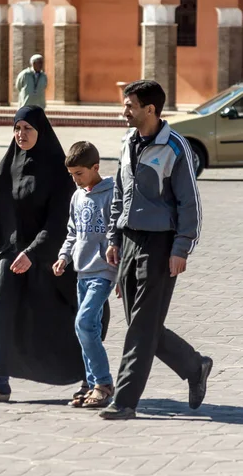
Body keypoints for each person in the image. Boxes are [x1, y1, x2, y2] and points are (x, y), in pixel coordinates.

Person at [99, 80, 212, 421]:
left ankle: (124, 400)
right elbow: (120, 193)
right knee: (142, 324)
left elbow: (190, 203)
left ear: (150, 109)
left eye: (129, 105)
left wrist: (182, 248)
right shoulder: (126, 143)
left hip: (161, 246)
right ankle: (195, 366)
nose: (124, 111)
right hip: (129, 242)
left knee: (141, 327)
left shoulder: (175, 147)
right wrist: (113, 238)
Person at [0, 106, 88, 402]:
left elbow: (60, 221)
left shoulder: (57, 171)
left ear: (41, 132)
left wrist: (34, 253)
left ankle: (92, 379)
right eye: (17, 128)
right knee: (2, 310)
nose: (21, 134)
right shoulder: (11, 163)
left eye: (28, 129)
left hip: (50, 256)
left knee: (66, 316)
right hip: (13, 253)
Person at [53, 141, 118, 409]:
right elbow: (72, 232)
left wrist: (122, 273)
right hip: (82, 272)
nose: (76, 180)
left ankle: (103, 383)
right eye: (72, 175)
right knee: (85, 329)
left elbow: (118, 233)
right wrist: (63, 257)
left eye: (80, 174)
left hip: (103, 271)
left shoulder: (112, 194)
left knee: (84, 323)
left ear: (95, 167)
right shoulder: (77, 196)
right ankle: (92, 386)